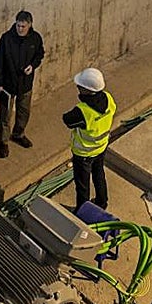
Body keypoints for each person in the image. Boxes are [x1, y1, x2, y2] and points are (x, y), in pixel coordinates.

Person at [0, 10, 45, 158]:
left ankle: (18, 134)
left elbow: (40, 54)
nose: (20, 29)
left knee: (24, 111)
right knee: (5, 115)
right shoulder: (7, 39)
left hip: (25, 84)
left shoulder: (35, 38)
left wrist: (33, 65)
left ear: (30, 25)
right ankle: (3, 142)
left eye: (23, 26)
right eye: (18, 25)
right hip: (8, 85)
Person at [62, 68, 116, 211]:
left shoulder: (82, 111)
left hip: (84, 154)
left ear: (86, 90)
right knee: (99, 175)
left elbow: (67, 120)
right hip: (101, 147)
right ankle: (101, 202)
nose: (78, 88)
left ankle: (82, 211)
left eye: (80, 86)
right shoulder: (108, 98)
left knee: (82, 185)